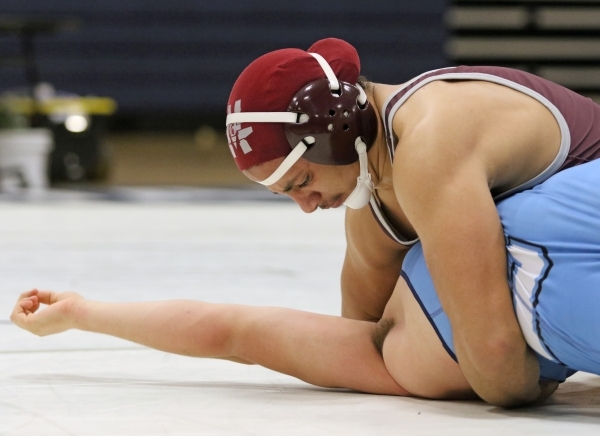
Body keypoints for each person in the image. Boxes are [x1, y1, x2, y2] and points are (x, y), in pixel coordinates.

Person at [11, 158, 600, 406]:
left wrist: (85, 312)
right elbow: (233, 331)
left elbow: (232, 331)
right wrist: (84, 312)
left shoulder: (398, 352)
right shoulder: (439, 204)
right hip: (532, 232)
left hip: (476, 335)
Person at [224, 38, 600, 406]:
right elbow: (358, 342)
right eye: (285, 193)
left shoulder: (431, 141)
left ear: (335, 128)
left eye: (303, 182)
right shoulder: (373, 216)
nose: (306, 206)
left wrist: (540, 382)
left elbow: (496, 356)